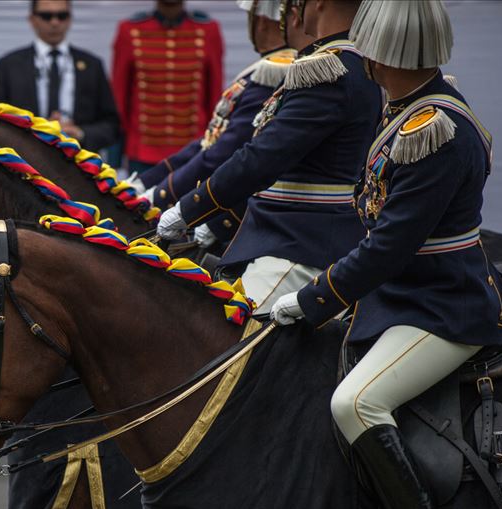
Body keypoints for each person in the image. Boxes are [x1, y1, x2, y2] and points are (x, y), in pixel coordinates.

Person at [270, 0, 502, 509]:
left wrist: (315, 297)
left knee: (355, 404)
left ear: (388, 57)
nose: (366, 63)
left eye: (373, 55)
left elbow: (390, 247)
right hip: (405, 297)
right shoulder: (405, 111)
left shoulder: (436, 129)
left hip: (441, 309)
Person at [156, 0, 380, 316]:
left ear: (316, 4)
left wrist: (189, 208)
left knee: (232, 347)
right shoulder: (342, 64)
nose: (286, 13)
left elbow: (263, 158)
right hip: (285, 235)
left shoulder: (330, 71)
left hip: (300, 244)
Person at [132, 0, 302, 254]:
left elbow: (225, 152)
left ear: (261, 19)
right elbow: (209, 141)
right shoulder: (264, 68)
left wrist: (163, 195)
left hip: (239, 215)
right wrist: (149, 182)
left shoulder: (275, 72)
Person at [0, 0, 120, 151]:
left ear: (70, 19)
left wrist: (80, 133)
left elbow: (112, 125)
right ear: (32, 20)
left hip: (79, 161)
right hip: (26, 162)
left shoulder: (92, 65)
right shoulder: (9, 65)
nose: (55, 22)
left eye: (62, 15)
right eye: (46, 16)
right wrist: (34, 132)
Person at [111, 1, 224, 173]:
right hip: (143, 152)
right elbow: (119, 98)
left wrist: (215, 150)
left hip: (193, 149)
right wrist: (115, 157)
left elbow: (215, 98)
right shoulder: (129, 30)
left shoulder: (209, 30)